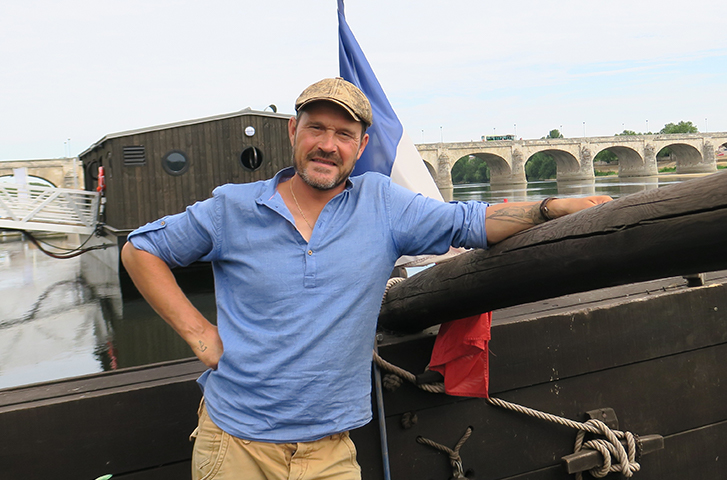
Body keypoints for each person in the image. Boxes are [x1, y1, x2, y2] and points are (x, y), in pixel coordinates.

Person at [121, 77, 612, 480]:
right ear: (294, 131)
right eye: (317, 129)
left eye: (344, 135)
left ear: (362, 145)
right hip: (235, 446)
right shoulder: (233, 208)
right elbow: (142, 248)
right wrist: (198, 333)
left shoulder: (382, 204)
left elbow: (470, 221)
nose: (327, 146)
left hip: (329, 452)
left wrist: (551, 207)